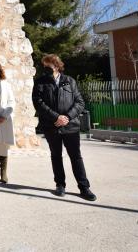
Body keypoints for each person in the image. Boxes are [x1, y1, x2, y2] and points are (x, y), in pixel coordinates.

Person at [32, 54, 97, 201]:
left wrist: (67, 117)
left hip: (71, 126)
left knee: (76, 157)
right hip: (51, 126)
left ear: (56, 65)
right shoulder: (40, 82)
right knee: (56, 156)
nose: (46, 69)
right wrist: (56, 117)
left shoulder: (69, 81)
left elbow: (80, 103)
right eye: (44, 66)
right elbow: (38, 103)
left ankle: (84, 187)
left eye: (48, 65)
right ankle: (60, 185)